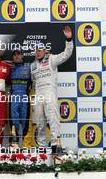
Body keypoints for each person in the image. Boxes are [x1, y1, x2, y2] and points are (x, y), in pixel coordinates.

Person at [31, 26, 73, 154]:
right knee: (39, 122)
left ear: (45, 51)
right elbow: (34, 82)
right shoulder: (33, 65)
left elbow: (67, 54)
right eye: (36, 50)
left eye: (40, 50)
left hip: (50, 93)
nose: (37, 52)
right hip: (38, 94)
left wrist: (69, 39)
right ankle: (42, 147)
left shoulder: (51, 59)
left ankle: (55, 144)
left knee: (53, 119)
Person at [10, 47, 31, 147]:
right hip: (14, 96)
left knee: (25, 120)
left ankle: (26, 146)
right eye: (15, 54)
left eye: (19, 53)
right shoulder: (9, 67)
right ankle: (15, 144)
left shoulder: (29, 67)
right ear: (12, 57)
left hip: (25, 96)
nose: (17, 56)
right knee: (14, 120)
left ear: (22, 55)